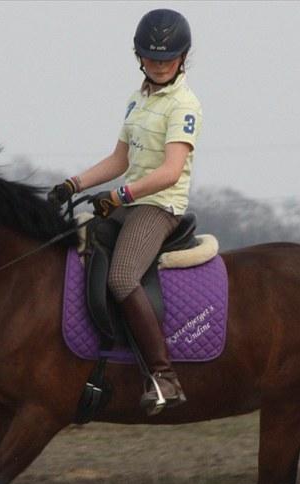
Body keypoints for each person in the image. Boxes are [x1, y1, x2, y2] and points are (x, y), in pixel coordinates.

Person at [48, 8, 202, 415]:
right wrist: (73, 185)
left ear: (182, 58)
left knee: (121, 277)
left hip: (157, 208)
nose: (160, 65)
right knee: (71, 246)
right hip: (129, 201)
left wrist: (120, 197)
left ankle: (163, 376)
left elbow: (170, 172)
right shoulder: (137, 100)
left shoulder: (184, 106)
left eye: (167, 59)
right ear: (139, 58)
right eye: (152, 58)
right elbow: (119, 159)